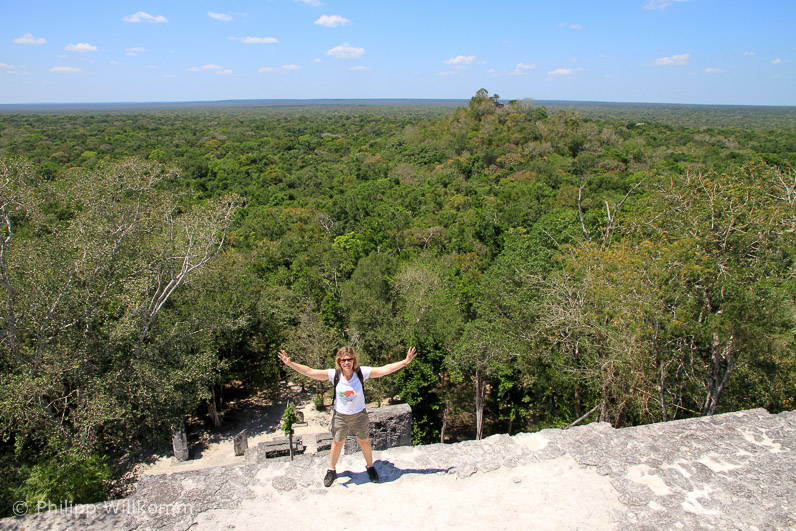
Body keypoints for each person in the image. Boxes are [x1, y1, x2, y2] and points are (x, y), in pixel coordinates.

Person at [277, 345, 417, 487]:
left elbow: (384, 370)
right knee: (337, 442)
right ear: (339, 361)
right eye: (343, 360)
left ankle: (370, 467)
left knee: (364, 441)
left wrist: (405, 362)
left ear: (353, 360)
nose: (346, 363)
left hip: (359, 414)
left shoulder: (361, 373)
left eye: (349, 359)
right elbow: (310, 372)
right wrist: (290, 363)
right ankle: (331, 470)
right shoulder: (335, 375)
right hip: (341, 415)